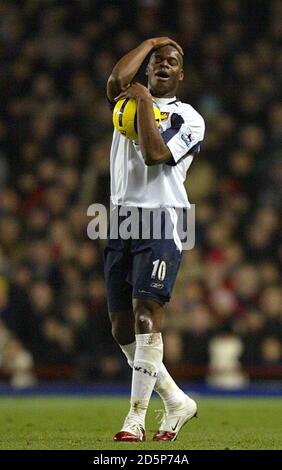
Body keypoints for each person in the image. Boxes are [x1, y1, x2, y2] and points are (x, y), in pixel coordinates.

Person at [105, 37, 205, 442]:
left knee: (147, 313)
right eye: (157, 61)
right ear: (147, 67)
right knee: (120, 328)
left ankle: (136, 417)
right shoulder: (124, 101)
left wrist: (145, 101)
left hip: (162, 220)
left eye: (172, 62)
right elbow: (115, 79)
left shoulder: (190, 118)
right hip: (121, 219)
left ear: (181, 74)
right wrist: (149, 42)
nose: (163, 64)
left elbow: (153, 154)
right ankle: (178, 400)